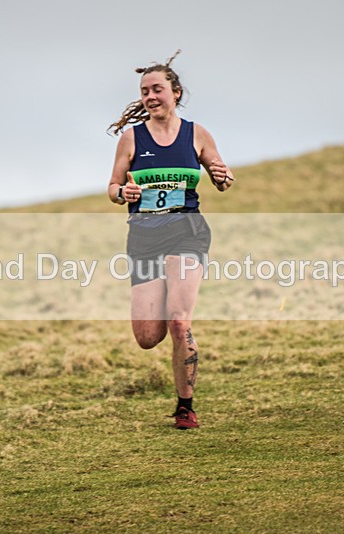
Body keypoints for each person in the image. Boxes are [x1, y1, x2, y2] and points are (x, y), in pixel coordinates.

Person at [106, 50, 234, 429]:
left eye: (157, 89)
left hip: (186, 232)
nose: (150, 96)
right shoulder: (132, 139)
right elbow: (113, 186)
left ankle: (185, 406)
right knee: (148, 337)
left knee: (179, 323)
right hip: (144, 238)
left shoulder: (198, 134)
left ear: (175, 92)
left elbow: (223, 180)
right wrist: (121, 195)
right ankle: (165, 294)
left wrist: (223, 176)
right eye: (144, 91)